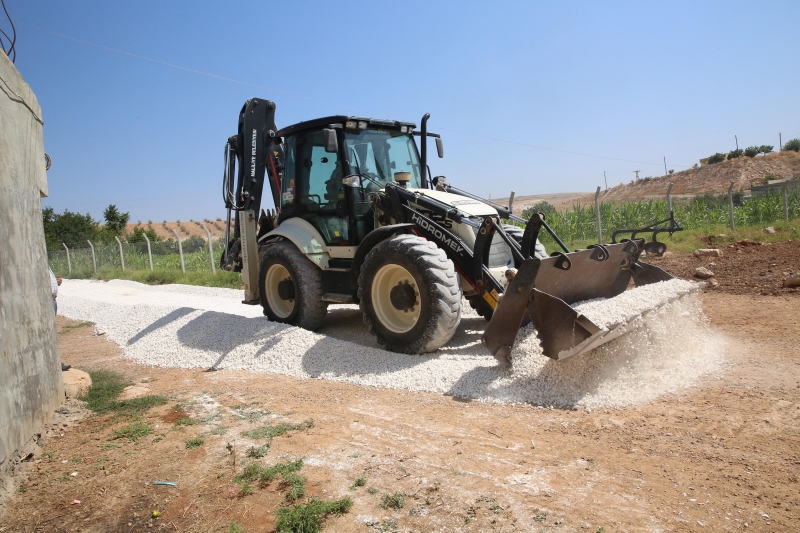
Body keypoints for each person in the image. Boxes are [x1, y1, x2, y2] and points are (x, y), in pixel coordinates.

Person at [48, 268, 70, 371]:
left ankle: (55, 362)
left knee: (51, 333)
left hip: (52, 300)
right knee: (49, 334)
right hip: (47, 301)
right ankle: (54, 363)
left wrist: (55, 282)